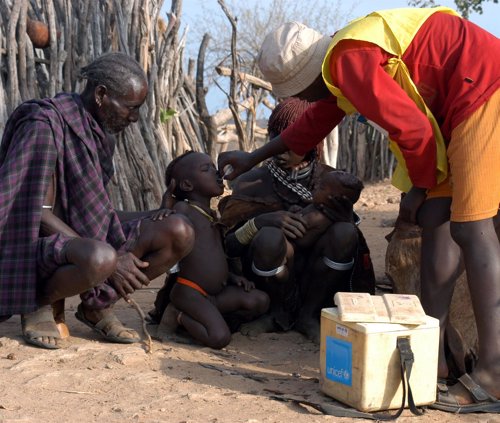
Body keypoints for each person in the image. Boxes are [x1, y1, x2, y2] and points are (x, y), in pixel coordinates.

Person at [218, 7, 500, 412]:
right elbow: (311, 125)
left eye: (301, 90)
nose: (305, 98)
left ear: (309, 76)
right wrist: (254, 156)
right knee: (436, 221)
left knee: (472, 228)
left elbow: (414, 131)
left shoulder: (348, 58)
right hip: (452, 107)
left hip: (481, 86)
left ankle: (493, 372)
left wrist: (419, 187)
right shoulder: (344, 62)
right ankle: (432, 358)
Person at [0, 52, 194, 350]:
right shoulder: (43, 123)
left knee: (179, 230)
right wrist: (113, 260)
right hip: (35, 245)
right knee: (102, 258)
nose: (135, 118)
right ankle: (38, 302)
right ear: (102, 94)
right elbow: (34, 213)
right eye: (131, 108)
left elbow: (95, 214)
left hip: (78, 242)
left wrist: (157, 215)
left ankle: (96, 306)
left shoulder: (100, 134)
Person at [219, 97, 375, 343]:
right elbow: (229, 246)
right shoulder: (251, 181)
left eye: (290, 142)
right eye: (275, 139)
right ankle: (276, 313)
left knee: (346, 233)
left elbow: (352, 241)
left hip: (319, 275)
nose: (280, 148)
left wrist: (340, 219)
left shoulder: (332, 180)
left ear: (312, 142)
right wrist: (260, 223)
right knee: (269, 238)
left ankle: (309, 315)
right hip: (267, 278)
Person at [156, 151, 270, 349]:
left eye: (213, 166)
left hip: (214, 295)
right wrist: (165, 206)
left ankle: (205, 315)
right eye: (206, 169)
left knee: (260, 300)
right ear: (187, 185)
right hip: (190, 291)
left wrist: (234, 278)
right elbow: (162, 224)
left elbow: (215, 256)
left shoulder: (212, 214)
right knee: (219, 338)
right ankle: (178, 315)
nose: (216, 172)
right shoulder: (184, 210)